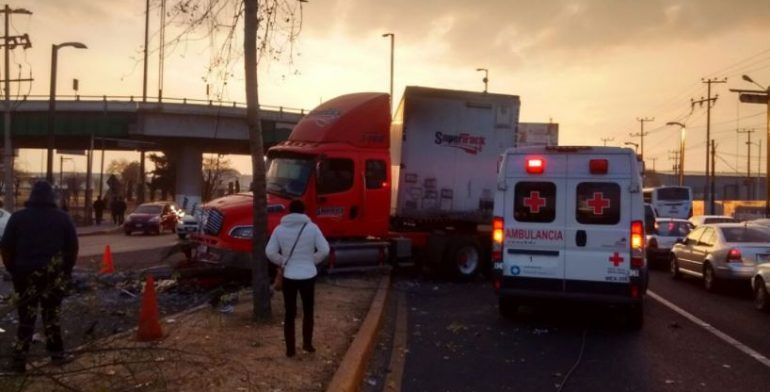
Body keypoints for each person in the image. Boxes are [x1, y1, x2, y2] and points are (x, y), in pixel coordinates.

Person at [0, 181, 79, 373]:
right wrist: (65, 272)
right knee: (51, 316)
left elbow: (6, 248)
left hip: (24, 275)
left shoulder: (18, 218)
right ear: (52, 197)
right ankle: (57, 355)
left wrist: (14, 270)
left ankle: (19, 361)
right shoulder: (63, 219)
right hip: (53, 276)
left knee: (26, 318)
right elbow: (72, 249)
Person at [266, 200, 329, 357]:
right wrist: (310, 260)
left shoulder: (279, 230)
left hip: (289, 276)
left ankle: (290, 350)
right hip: (308, 275)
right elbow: (324, 250)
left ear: (289, 212)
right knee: (308, 311)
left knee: (289, 313)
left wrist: (283, 261)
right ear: (303, 211)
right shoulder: (312, 228)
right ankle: (307, 345)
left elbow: (270, 251)